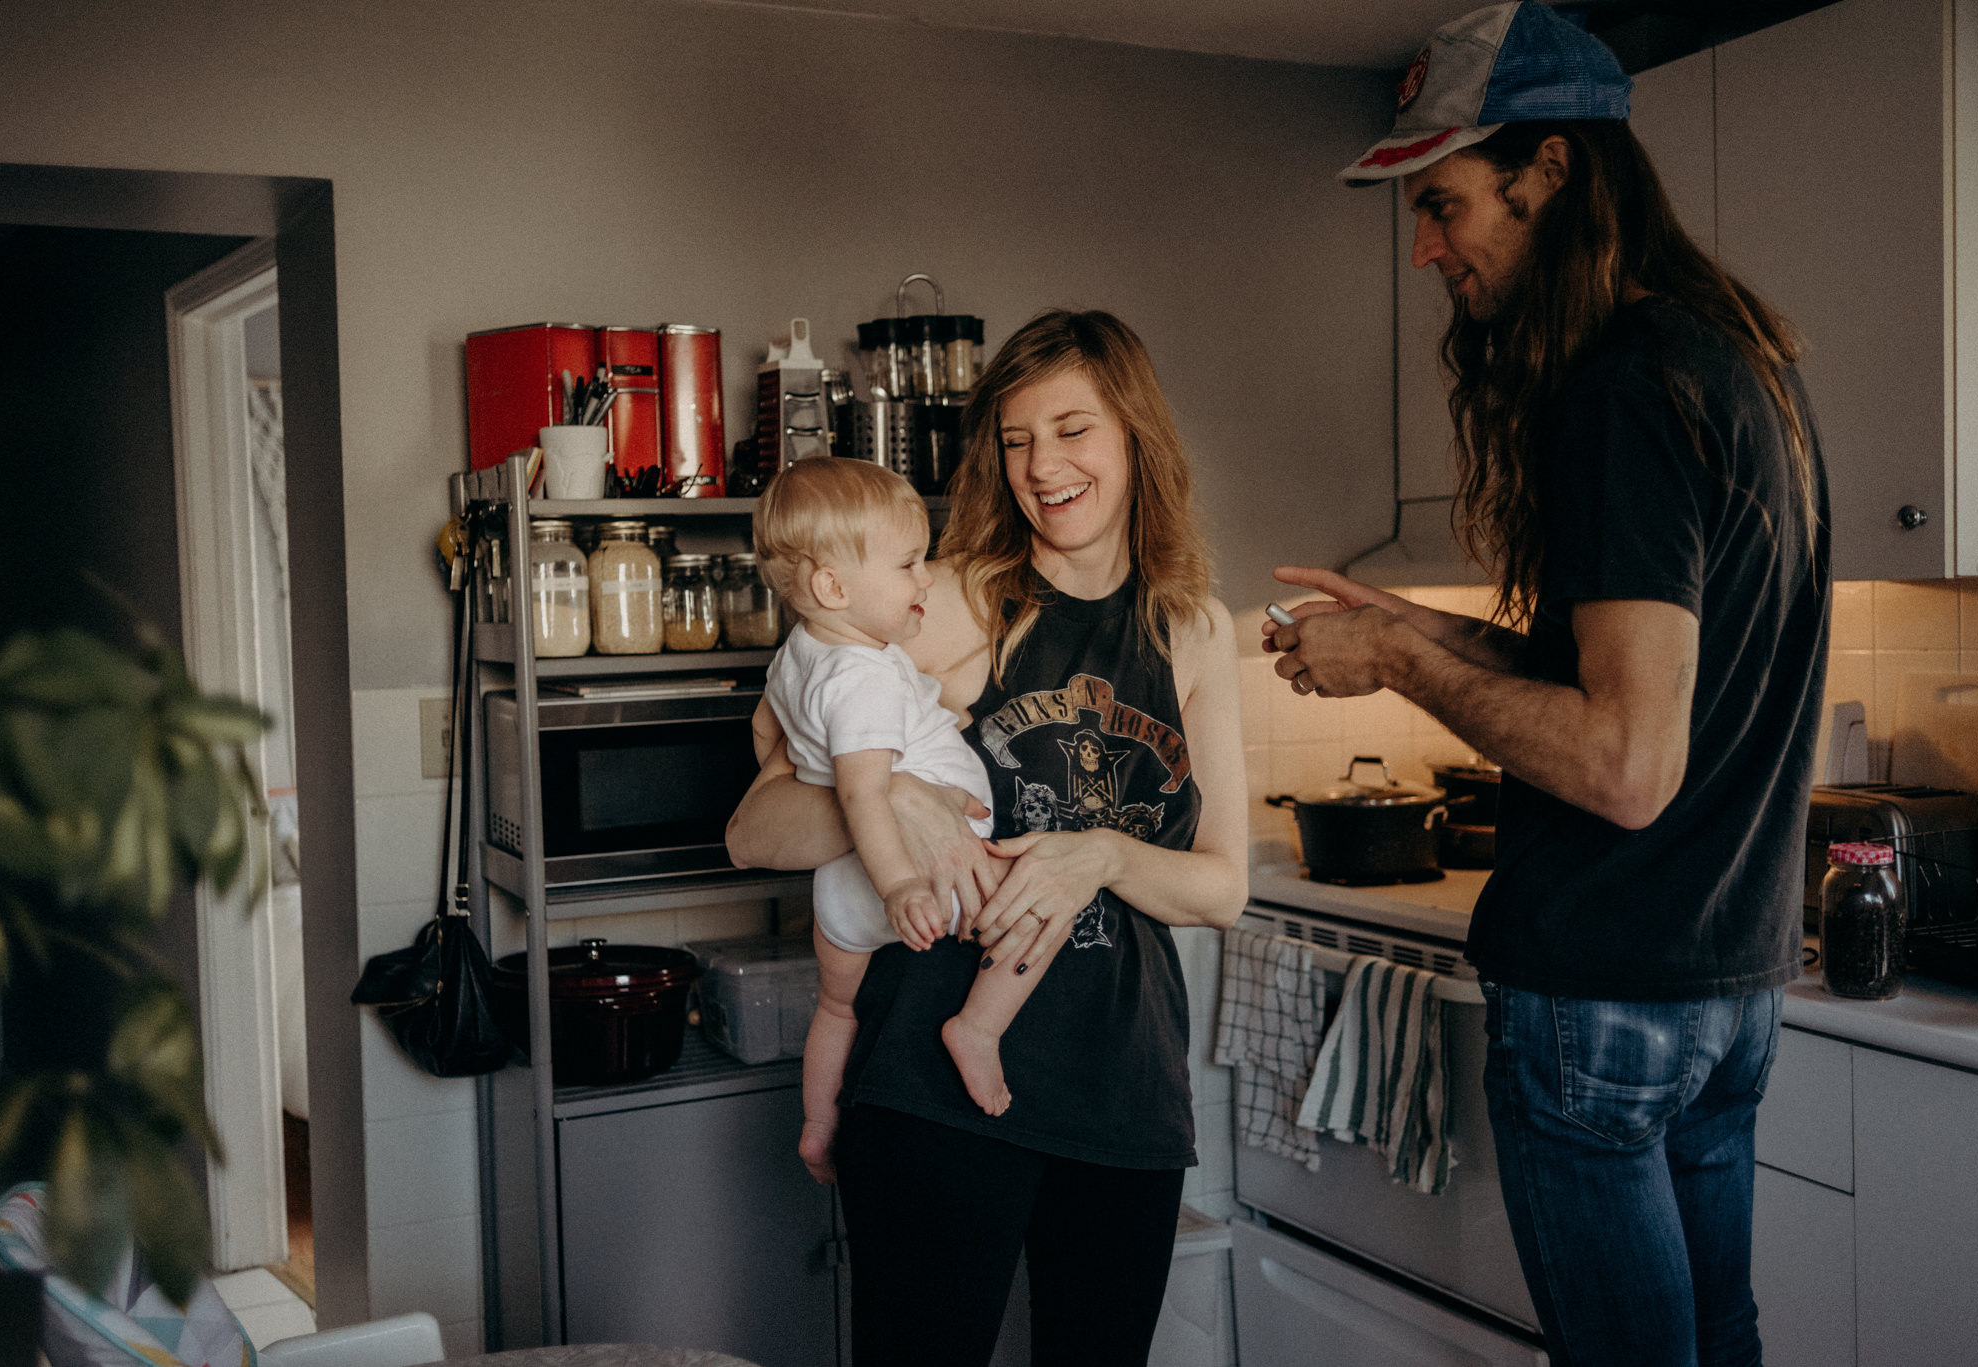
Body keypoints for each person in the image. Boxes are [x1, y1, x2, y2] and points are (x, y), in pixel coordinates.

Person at [1265, 6, 1829, 1366]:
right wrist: (1423, 626)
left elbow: (1625, 765)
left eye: (1447, 201)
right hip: (1727, 985)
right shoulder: (1737, 359)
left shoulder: (1621, 388)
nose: (1426, 244)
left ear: (1555, 171)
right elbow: (1633, 690)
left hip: (1604, 994)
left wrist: (1398, 661)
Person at [727, 308, 1247, 1367]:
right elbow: (753, 829)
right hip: (934, 1092)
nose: (1039, 465)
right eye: (1014, 438)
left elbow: (1220, 886)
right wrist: (902, 801)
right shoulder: (950, 599)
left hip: (1123, 1091)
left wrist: (1099, 852)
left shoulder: (1191, 627)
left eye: (1070, 430)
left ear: (1134, 435)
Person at [750, 458, 1046, 1185]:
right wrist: (902, 886)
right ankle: (977, 1028)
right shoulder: (867, 677)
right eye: (910, 564)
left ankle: (820, 1126)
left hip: (837, 893)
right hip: (919, 874)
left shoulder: (802, 655)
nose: (925, 580)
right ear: (833, 586)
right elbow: (864, 796)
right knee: (1047, 900)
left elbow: (772, 742)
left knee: (836, 1006)